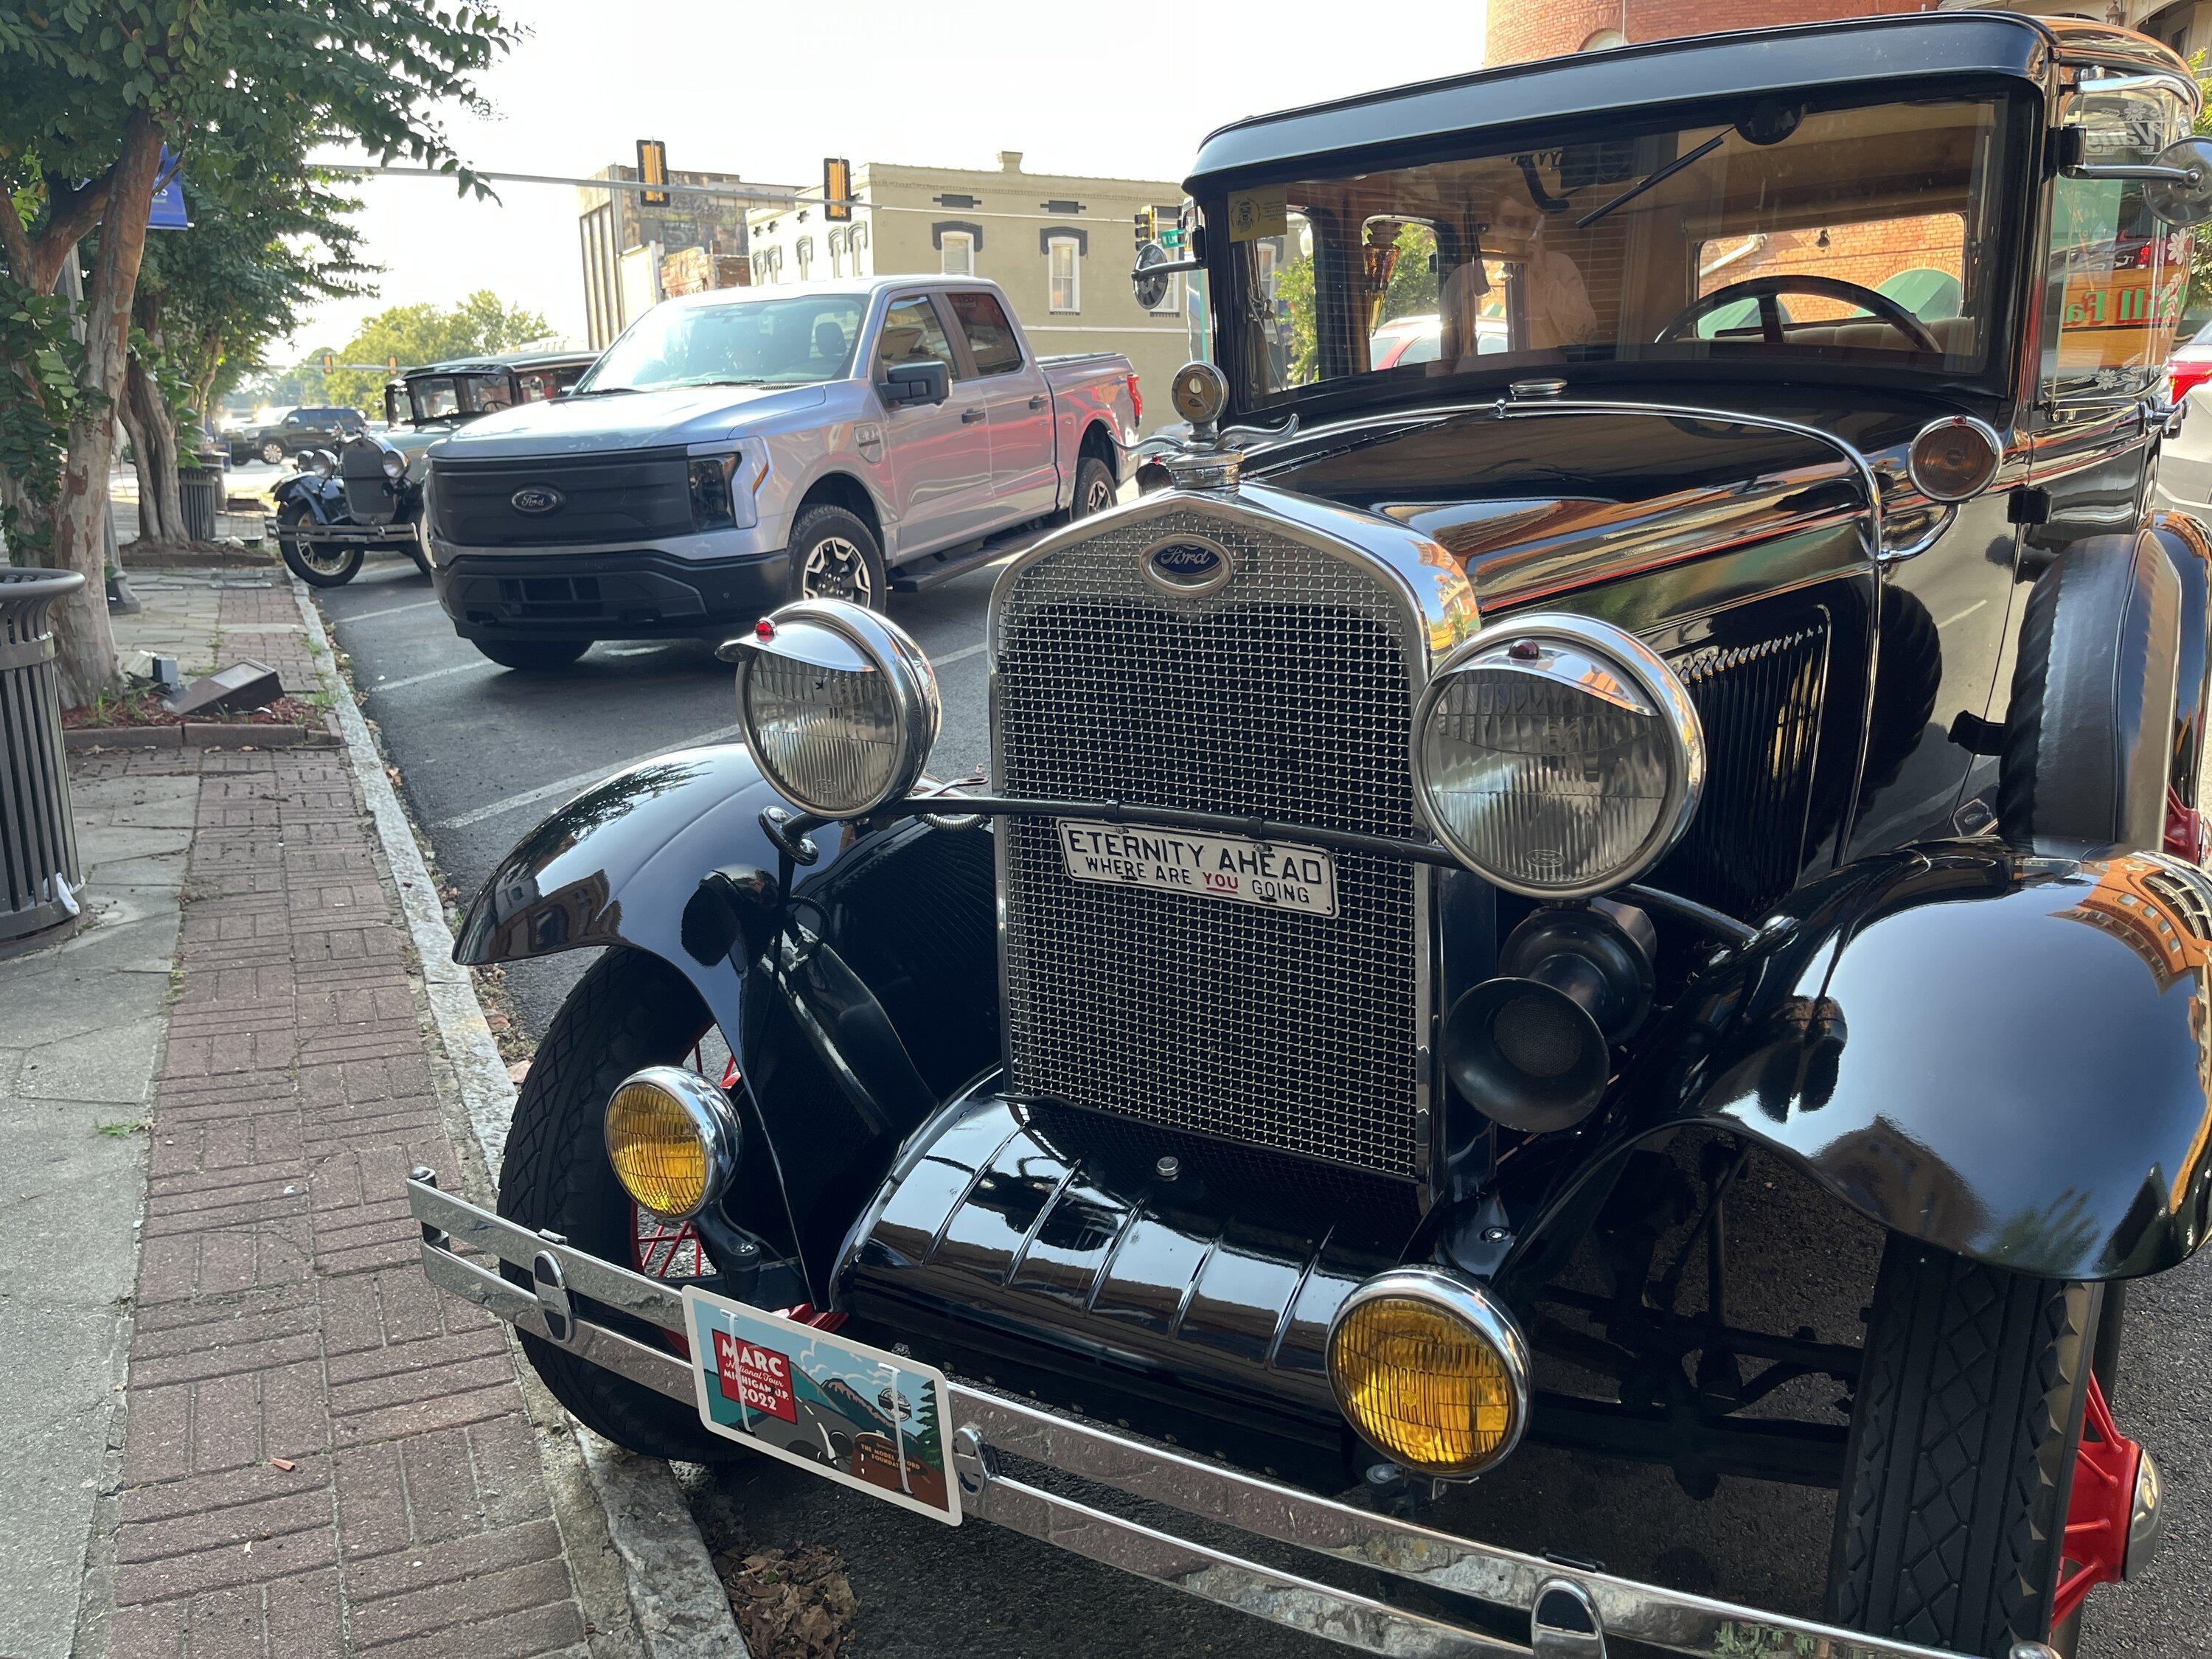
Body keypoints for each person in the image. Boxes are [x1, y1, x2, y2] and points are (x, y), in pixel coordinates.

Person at [1441, 191, 1599, 362]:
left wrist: (1543, 275)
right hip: (1486, 380)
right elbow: (1450, 346)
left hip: (1549, 378)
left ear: (1540, 225)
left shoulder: (1559, 266)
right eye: (1508, 222)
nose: (1516, 233)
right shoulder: (1466, 276)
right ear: (1493, 223)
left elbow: (1585, 334)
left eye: (1525, 223)